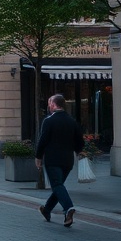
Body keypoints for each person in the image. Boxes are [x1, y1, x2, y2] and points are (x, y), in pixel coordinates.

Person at [35, 93, 84, 228]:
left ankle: (68, 208)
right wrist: (78, 151)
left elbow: (42, 141)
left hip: (53, 160)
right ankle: (47, 210)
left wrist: (38, 157)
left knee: (57, 185)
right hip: (68, 161)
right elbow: (80, 142)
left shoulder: (49, 121)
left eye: (49, 103)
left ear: (53, 104)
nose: (48, 105)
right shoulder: (72, 121)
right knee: (59, 186)